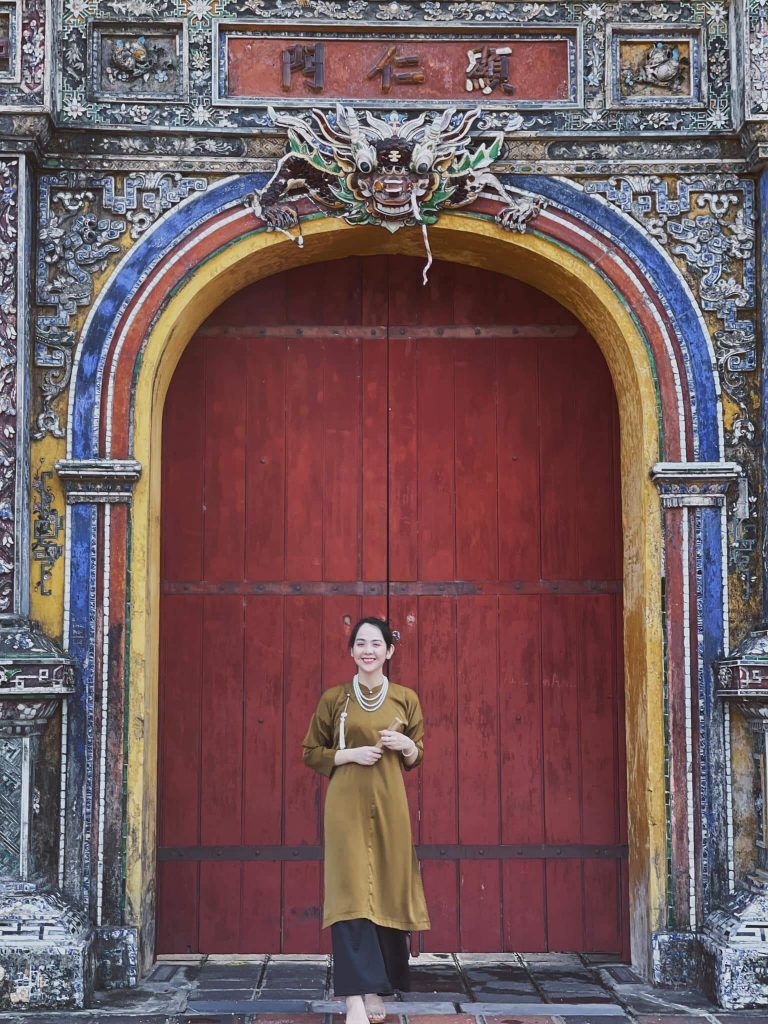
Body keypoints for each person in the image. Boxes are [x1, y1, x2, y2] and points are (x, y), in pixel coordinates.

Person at [302, 616, 430, 1024]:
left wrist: (407, 743)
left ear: (389, 651)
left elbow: (416, 756)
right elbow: (311, 751)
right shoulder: (335, 699)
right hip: (346, 807)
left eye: (376, 643)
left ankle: (379, 986)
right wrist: (349, 755)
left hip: (390, 805)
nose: (369, 650)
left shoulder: (405, 699)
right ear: (351, 651)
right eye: (360, 643)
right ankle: (354, 998)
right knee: (350, 893)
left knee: (389, 887)